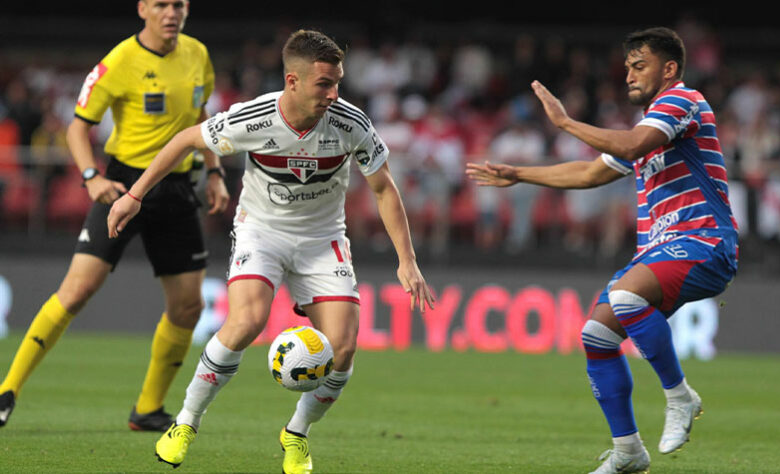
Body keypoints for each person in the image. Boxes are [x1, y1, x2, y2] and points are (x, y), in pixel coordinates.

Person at [107, 29, 435, 473]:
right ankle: (186, 421)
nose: (334, 93)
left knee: (342, 348)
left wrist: (407, 261)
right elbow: (185, 140)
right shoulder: (254, 118)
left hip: (324, 240)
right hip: (262, 232)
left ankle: (296, 433)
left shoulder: (351, 123)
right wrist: (135, 196)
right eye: (324, 83)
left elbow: (384, 188)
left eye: (338, 81)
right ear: (292, 81)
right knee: (246, 321)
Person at [467, 27, 738, 474]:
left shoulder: (682, 100)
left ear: (669, 69)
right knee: (597, 335)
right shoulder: (652, 123)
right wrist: (520, 173)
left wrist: (566, 123)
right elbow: (591, 173)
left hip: (703, 240)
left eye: (640, 66)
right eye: (628, 67)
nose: (629, 75)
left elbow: (630, 146)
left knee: (627, 298)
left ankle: (680, 396)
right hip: (664, 248)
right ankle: (629, 452)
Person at [0, 0, 230, 432]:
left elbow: (201, 117)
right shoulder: (120, 61)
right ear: (143, 8)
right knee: (76, 291)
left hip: (178, 189)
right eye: (162, 4)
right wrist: (90, 178)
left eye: (179, 4)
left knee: (187, 307)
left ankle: (147, 409)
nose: (172, 13)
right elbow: (76, 127)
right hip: (124, 186)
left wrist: (214, 171)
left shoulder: (197, 54)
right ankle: (6, 389)